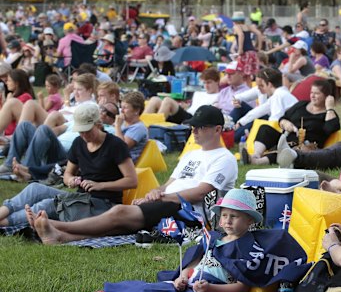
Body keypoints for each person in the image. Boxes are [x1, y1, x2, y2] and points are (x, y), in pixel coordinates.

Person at [31, 105, 238, 245]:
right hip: (170, 204)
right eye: (193, 126)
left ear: (218, 129)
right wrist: (155, 192)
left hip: (191, 213)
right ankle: (61, 236)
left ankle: (57, 226)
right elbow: (169, 184)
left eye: (200, 127)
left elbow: (202, 193)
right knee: (122, 224)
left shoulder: (224, 158)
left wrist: (162, 197)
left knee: (120, 213)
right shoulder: (191, 154)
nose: (194, 131)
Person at [77, 188, 261, 292]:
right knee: (148, 289)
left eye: (234, 216)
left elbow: (241, 288)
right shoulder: (213, 239)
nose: (227, 221)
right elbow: (194, 263)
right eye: (224, 215)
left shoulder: (249, 249)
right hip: (190, 281)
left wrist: (210, 288)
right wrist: (182, 276)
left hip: (209, 291)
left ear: (249, 220)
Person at [0, 103, 137, 228]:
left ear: (98, 124)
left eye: (87, 131)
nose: (84, 135)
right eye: (80, 131)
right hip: (82, 198)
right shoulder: (78, 143)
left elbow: (132, 180)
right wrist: (71, 180)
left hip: (104, 204)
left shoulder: (115, 145)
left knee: (47, 205)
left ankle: (5, 223)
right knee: (34, 188)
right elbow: (68, 173)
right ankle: (2, 214)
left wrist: (101, 185)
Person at [241, 79, 340, 165]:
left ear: (327, 97)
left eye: (317, 93)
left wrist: (329, 107)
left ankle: (256, 162)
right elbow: (283, 118)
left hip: (305, 147)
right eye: (311, 92)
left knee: (287, 151)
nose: (312, 96)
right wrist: (285, 123)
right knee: (265, 128)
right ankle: (256, 155)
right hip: (287, 136)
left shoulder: (329, 114)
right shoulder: (301, 105)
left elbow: (329, 129)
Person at [232, 68, 298, 142]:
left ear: (269, 84)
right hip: (290, 126)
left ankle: (232, 136)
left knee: (262, 124)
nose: (259, 89)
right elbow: (259, 110)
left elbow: (275, 120)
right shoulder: (280, 94)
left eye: (262, 85)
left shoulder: (278, 96)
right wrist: (240, 123)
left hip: (292, 129)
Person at [144, 67, 220, 123]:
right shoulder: (198, 93)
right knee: (154, 99)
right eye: (204, 83)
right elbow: (192, 106)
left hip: (195, 119)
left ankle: (155, 129)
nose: (206, 86)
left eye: (209, 82)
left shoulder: (219, 96)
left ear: (217, 82)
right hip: (187, 114)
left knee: (168, 101)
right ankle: (140, 127)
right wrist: (185, 106)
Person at [0, 68, 35, 137]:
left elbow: (10, 116)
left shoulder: (25, 97)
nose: (6, 83)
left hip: (11, 132)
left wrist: (8, 101)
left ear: (17, 83)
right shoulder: (14, 96)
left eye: (9, 81)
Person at [114, 91, 148, 163]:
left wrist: (117, 126)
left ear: (136, 110)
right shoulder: (123, 123)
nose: (122, 111)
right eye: (121, 107)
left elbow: (121, 148)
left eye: (125, 108)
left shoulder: (139, 128)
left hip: (124, 164)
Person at [232, 11, 263, 80]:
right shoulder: (248, 26)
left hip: (245, 53)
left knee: (244, 74)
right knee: (252, 74)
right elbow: (259, 33)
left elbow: (241, 35)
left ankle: (246, 89)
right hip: (252, 52)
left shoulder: (236, 27)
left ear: (234, 20)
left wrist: (240, 49)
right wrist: (259, 47)